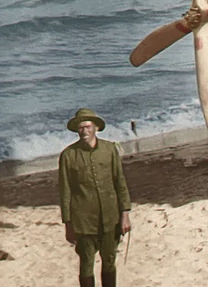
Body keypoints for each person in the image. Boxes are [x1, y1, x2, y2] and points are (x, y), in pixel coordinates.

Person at [59, 108, 131, 287]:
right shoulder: (68, 156)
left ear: (96, 127)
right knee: (86, 266)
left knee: (109, 262)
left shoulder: (110, 150)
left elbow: (120, 182)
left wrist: (125, 214)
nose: (85, 131)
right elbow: (65, 192)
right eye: (81, 128)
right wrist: (68, 225)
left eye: (88, 126)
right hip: (83, 223)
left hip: (110, 219)